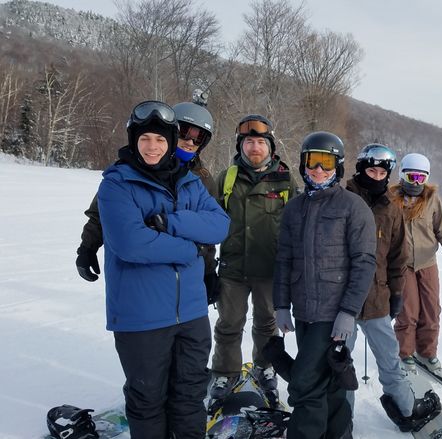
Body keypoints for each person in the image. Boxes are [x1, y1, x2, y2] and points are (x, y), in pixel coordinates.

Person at [96, 100, 229, 437]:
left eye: (160, 139)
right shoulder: (117, 184)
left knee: (189, 396)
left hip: (192, 313)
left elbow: (219, 226)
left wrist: (170, 222)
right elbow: (130, 244)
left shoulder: (190, 181)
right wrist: (189, 248)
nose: (153, 147)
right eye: (145, 139)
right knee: (148, 399)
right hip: (142, 316)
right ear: (133, 140)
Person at [273, 131, 377, 439]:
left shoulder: (353, 207)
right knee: (328, 381)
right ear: (303, 164)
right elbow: (284, 260)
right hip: (304, 311)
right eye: (312, 162)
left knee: (304, 385)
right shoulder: (294, 208)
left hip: (333, 315)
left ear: (338, 167)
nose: (318, 170)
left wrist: (348, 311)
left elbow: (364, 262)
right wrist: (280, 304)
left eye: (326, 163)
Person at [76, 97, 220, 305]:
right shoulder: (134, 167)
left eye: (198, 138)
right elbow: (102, 214)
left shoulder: (203, 179)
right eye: (185, 133)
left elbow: (207, 232)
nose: (190, 142)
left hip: (184, 275)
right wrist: (87, 247)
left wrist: (208, 271)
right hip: (143, 274)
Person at [343, 144, 439, 432]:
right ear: (360, 169)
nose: (375, 176)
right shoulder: (342, 200)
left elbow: (398, 258)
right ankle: (341, 415)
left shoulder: (391, 209)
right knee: (341, 365)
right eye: (370, 170)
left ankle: (407, 408)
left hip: (377, 299)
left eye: (381, 172)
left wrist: (396, 293)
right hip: (341, 301)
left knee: (389, 359)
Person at [209, 114, 297, 401]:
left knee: (267, 325)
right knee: (229, 324)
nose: (255, 148)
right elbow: (209, 224)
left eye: (260, 142)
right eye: (249, 142)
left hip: (270, 270)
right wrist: (207, 268)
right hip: (233, 269)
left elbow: (299, 227)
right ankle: (224, 373)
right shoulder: (227, 178)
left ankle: (265, 367)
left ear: (270, 147)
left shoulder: (285, 181)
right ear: (240, 146)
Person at [388, 153, 442, 379]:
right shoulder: (390, 199)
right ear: (402, 175)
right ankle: (405, 354)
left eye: (421, 177)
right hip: (402, 264)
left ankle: (427, 354)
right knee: (408, 312)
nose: (416, 182)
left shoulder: (432, 198)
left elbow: (441, 226)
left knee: (431, 311)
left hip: (428, 262)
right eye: (411, 176)